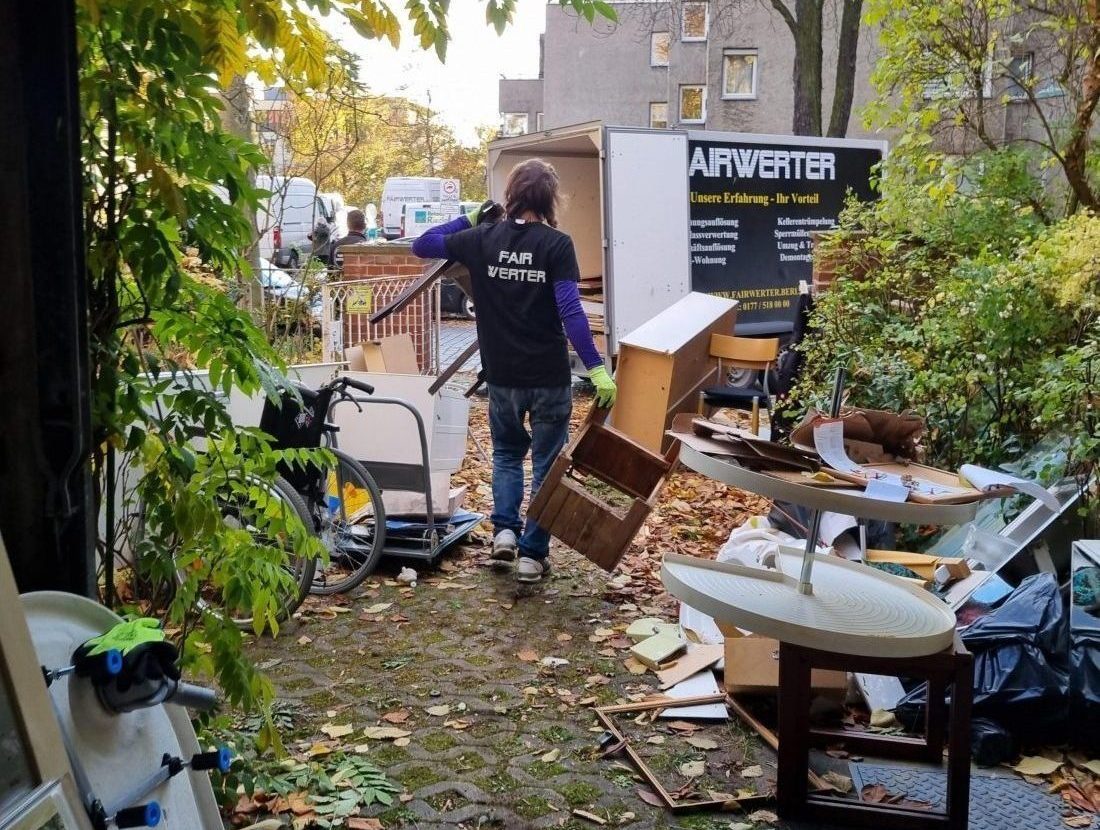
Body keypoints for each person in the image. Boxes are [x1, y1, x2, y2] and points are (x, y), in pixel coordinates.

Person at [411, 160, 617, 583]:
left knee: (506, 456)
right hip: (548, 377)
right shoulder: (557, 245)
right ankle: (531, 555)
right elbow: (571, 313)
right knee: (545, 465)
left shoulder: (481, 239)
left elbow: (424, 244)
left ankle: (504, 532)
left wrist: (468, 217)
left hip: (502, 376)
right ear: (549, 200)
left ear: (511, 196)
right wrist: (597, 368)